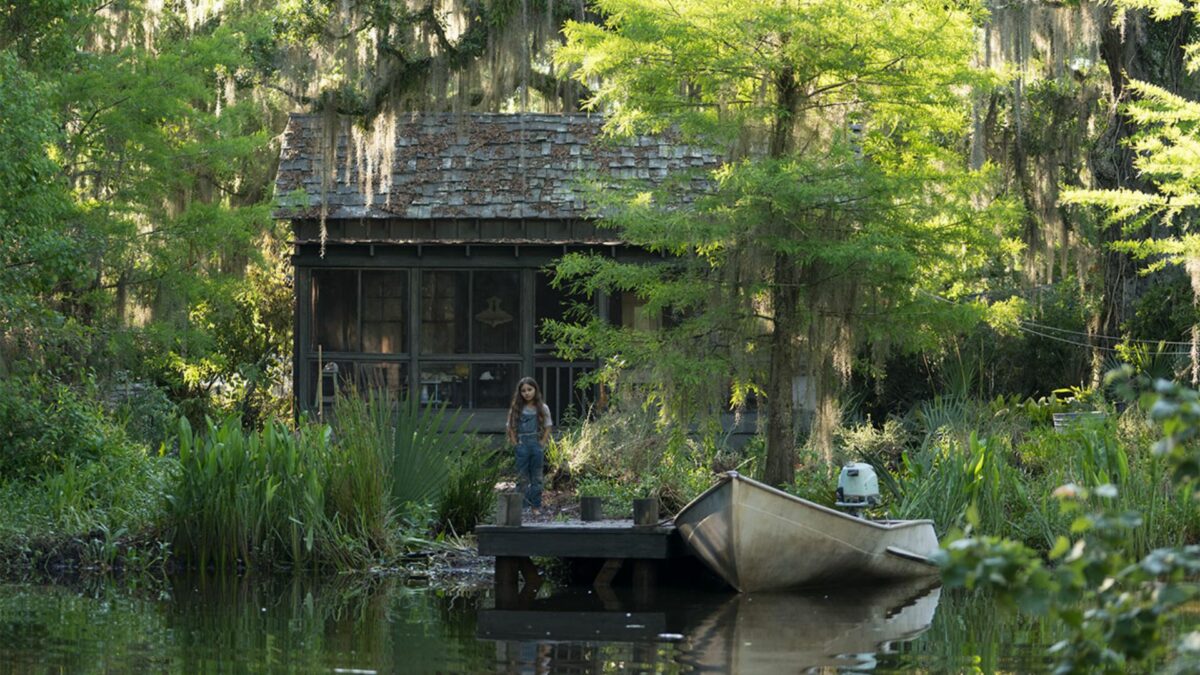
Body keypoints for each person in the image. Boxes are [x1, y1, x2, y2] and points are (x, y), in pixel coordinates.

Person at [507, 377, 553, 513]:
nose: (527, 393)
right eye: (523, 391)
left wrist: (542, 443)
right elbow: (510, 427)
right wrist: (516, 444)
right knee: (522, 478)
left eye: (529, 389)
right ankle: (521, 508)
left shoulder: (542, 408)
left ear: (535, 390)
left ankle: (536, 506)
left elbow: (548, 426)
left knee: (537, 477)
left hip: (536, 445)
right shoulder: (516, 408)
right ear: (520, 393)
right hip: (522, 444)